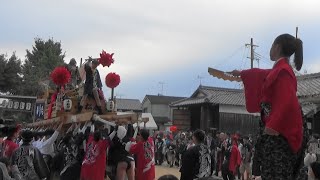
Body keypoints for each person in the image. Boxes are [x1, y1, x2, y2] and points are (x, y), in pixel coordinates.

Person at [229, 33, 304, 179]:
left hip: (280, 132)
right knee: (271, 171)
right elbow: (262, 74)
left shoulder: (283, 71)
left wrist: (274, 124)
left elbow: (287, 100)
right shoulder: (281, 69)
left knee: (276, 172)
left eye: (271, 46)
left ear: (276, 47)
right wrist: (243, 73)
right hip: (278, 129)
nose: (270, 49)